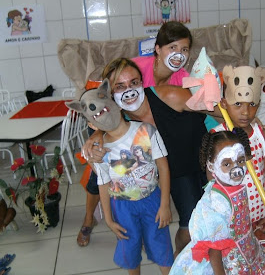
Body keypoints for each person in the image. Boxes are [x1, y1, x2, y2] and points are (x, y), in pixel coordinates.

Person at [82, 58, 220, 256]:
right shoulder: (118, 119)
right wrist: (97, 136)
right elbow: (103, 151)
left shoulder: (168, 95)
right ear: (110, 95)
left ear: (142, 83)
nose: (129, 90)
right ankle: (179, 262)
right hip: (162, 174)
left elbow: (214, 109)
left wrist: (246, 122)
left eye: (134, 82)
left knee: (201, 223)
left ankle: (185, 257)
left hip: (196, 161)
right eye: (120, 86)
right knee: (178, 225)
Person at [77, 21, 196, 248]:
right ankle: (88, 219)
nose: (178, 55)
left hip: (157, 142)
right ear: (158, 49)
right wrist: (97, 135)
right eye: (172, 48)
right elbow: (105, 103)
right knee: (99, 170)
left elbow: (201, 109)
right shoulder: (135, 70)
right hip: (122, 131)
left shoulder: (182, 79)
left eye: (184, 50)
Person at [67, 79, 174, 275]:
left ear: (114, 104)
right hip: (122, 207)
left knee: (162, 248)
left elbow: (163, 167)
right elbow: (103, 184)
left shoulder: (146, 130)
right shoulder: (99, 150)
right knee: (130, 252)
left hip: (153, 200)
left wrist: (165, 204)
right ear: (91, 124)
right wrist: (108, 218)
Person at [170, 128, 265, 274]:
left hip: (245, 252)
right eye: (227, 164)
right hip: (226, 264)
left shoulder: (236, 187)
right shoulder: (216, 203)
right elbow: (214, 249)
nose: (237, 169)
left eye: (240, 160)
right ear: (211, 166)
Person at [210, 65, 265, 258]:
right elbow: (211, 180)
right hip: (231, 218)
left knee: (262, 258)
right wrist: (231, 163)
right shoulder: (216, 136)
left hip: (260, 213)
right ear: (224, 104)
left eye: (252, 104)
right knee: (237, 263)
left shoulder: (260, 134)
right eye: (238, 104)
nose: (246, 112)